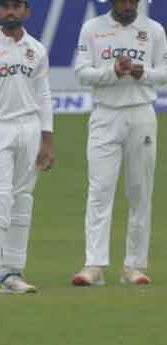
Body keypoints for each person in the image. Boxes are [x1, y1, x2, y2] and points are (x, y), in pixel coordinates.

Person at [72, 0, 167, 286]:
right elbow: (81, 72)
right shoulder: (93, 29)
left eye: (133, 0)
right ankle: (94, 266)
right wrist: (112, 72)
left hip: (141, 113)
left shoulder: (153, 30)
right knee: (100, 189)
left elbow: (164, 71)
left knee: (139, 189)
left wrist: (143, 74)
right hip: (105, 115)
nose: (128, 5)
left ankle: (134, 266)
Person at [0, 0, 55, 295]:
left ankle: (12, 273)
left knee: (22, 200)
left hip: (29, 129)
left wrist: (47, 140)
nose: (11, 12)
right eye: (5, 7)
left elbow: (43, 96)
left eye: (17, 6)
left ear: (27, 11)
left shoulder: (37, 50)